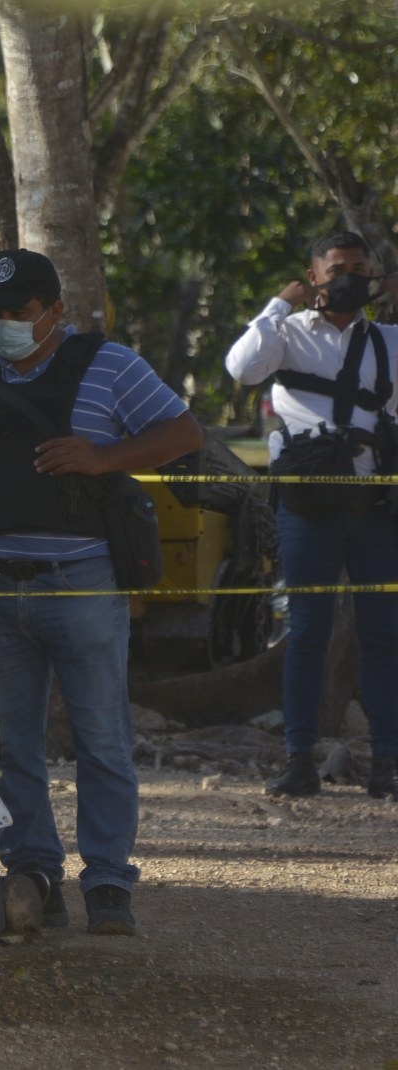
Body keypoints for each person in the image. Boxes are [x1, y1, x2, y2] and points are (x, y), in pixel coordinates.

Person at [0, 249, 202, 937]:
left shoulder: (110, 366)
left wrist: (102, 457)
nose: (1, 326)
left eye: (16, 314)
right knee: (12, 745)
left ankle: (109, 881)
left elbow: (182, 432)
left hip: (80, 582)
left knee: (101, 737)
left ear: (54, 312)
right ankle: (34, 875)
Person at [224, 230, 398, 800]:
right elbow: (242, 369)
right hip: (307, 507)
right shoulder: (287, 335)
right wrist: (279, 304)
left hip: (374, 506)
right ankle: (299, 760)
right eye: (337, 267)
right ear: (315, 276)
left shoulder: (389, 342)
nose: (348, 275)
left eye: (359, 267)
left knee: (383, 637)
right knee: (307, 635)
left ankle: (386, 765)